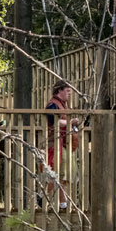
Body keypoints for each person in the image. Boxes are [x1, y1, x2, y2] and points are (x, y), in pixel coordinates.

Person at [43, 81, 80, 209]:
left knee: (65, 172)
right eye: (67, 91)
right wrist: (70, 122)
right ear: (59, 91)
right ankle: (44, 197)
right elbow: (54, 121)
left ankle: (60, 201)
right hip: (56, 141)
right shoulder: (52, 104)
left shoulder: (63, 105)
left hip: (65, 142)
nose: (69, 94)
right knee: (58, 171)